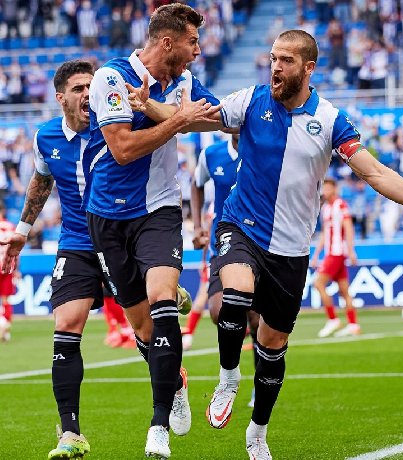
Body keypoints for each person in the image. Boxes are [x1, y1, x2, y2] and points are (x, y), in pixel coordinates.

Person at [126, 29, 403, 459]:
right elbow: (195, 119)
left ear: (308, 68)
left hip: (290, 249)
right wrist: (150, 107)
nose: (276, 66)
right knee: (233, 294)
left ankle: (257, 433)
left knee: (272, 347)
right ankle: (229, 376)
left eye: (286, 60)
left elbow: (375, 172)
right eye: (273, 58)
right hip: (241, 226)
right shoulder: (250, 101)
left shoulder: (329, 120)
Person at [81, 4, 223, 457]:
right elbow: (122, 149)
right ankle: (175, 380)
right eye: (192, 42)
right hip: (107, 215)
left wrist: (163, 110)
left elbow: (215, 118)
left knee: (165, 301)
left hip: (159, 210)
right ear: (167, 42)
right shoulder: (111, 78)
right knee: (143, 329)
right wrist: (177, 119)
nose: (197, 52)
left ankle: (158, 423)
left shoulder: (184, 83)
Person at [0, 60, 103, 458]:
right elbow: (41, 182)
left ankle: (169, 373)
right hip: (76, 241)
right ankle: (71, 432)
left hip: (120, 240)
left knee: (147, 332)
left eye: (90, 87)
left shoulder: (114, 126)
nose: (86, 95)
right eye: (78, 88)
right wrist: (21, 234)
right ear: (61, 97)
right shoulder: (45, 137)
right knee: (66, 324)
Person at [189, 133, 260, 408]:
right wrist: (197, 225)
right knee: (219, 312)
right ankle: (231, 372)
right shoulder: (211, 155)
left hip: (259, 244)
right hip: (223, 243)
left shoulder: (263, 149)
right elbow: (196, 184)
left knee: (256, 320)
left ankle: (257, 383)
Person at [311, 178, 360, 338]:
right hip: (330, 252)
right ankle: (353, 324)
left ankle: (333, 319)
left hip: (337, 253)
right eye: (323, 188)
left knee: (318, 284)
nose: (325, 191)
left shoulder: (341, 205)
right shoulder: (325, 208)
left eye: (328, 188)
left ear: (334, 189)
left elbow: (348, 228)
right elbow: (325, 233)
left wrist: (351, 251)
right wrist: (317, 255)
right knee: (344, 290)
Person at [0, 203, 15, 342]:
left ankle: (2, 325)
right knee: (6, 299)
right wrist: (18, 270)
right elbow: (16, 250)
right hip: (7, 267)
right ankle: (6, 327)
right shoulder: (10, 226)